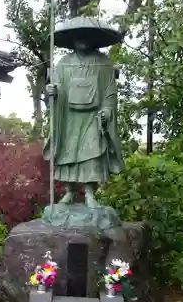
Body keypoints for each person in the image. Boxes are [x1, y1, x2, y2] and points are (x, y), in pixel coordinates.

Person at [43, 39, 124, 208]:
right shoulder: (64, 63)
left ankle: (89, 194)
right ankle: (70, 191)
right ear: (72, 40)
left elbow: (110, 92)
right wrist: (53, 91)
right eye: (78, 37)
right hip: (69, 118)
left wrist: (107, 110)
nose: (83, 40)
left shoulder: (103, 63)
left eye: (87, 36)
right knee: (69, 153)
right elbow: (57, 87)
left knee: (92, 153)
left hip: (93, 116)